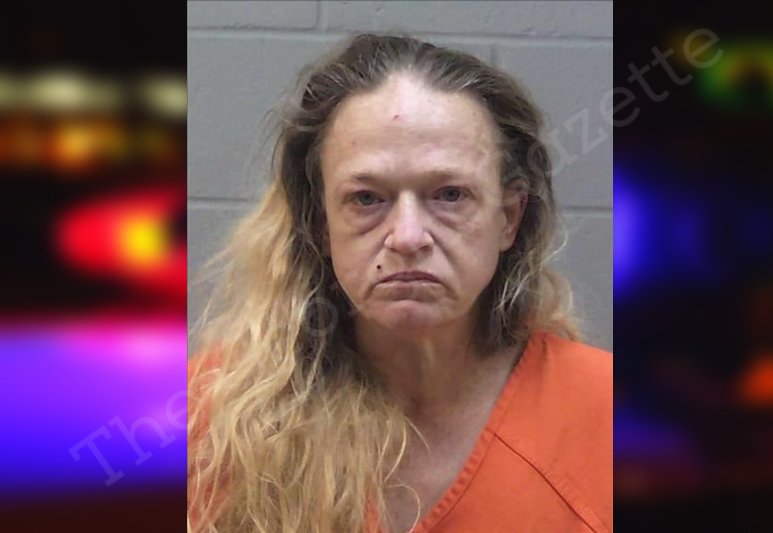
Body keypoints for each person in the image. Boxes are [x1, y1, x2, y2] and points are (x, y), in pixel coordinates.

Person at [188, 33, 612, 533]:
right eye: (367, 199)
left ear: (508, 218)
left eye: (450, 195)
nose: (408, 237)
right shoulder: (207, 413)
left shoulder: (610, 413)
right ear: (321, 224)